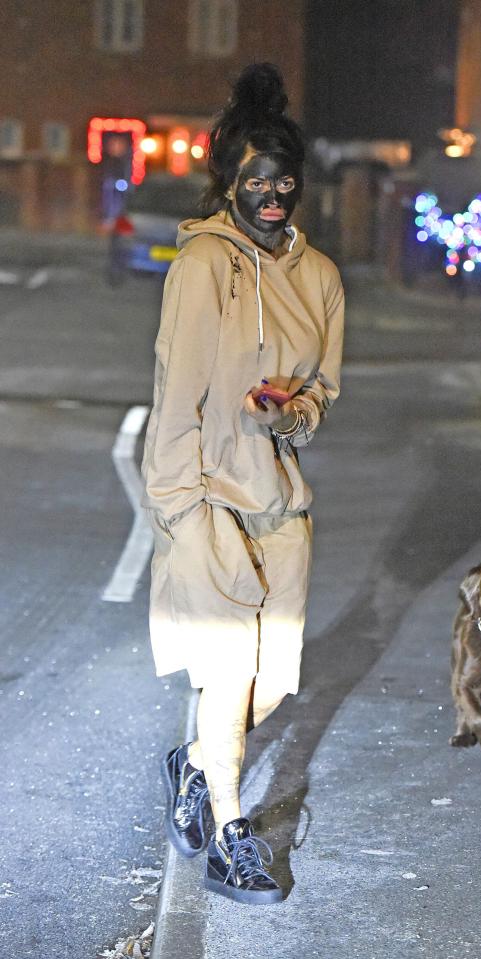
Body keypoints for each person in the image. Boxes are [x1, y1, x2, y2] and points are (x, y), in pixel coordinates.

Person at [141, 63, 344, 904]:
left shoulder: (320, 278)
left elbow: (322, 391)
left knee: (264, 686)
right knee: (226, 673)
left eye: (283, 180)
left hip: (279, 506)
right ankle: (232, 833)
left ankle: (192, 764)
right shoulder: (201, 269)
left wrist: (293, 416)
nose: (270, 194)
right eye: (255, 179)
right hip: (208, 499)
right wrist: (179, 511)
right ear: (229, 181)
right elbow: (175, 393)